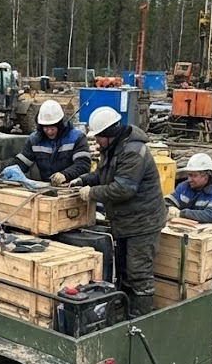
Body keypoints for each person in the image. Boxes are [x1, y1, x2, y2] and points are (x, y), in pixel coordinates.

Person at [71, 107, 167, 317]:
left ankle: (139, 319)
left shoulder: (133, 152)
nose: (96, 141)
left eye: (98, 137)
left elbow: (124, 189)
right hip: (125, 222)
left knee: (139, 273)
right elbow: (102, 174)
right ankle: (124, 311)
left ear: (109, 134)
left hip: (143, 222)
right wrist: (83, 180)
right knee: (123, 269)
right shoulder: (113, 149)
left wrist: (91, 193)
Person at [0, 99, 91, 184]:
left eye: (53, 127)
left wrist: (65, 174)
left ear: (60, 125)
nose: (49, 131)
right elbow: (22, 162)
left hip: (71, 188)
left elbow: (83, 164)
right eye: (46, 127)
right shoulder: (35, 140)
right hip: (47, 188)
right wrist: (4, 172)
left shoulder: (77, 138)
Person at [166, 152, 212, 223]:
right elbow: (168, 202)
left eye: (194, 175)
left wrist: (183, 214)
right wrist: (169, 208)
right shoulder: (184, 186)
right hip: (187, 228)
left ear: (206, 175)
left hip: (211, 231)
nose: (189, 179)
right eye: (189, 175)